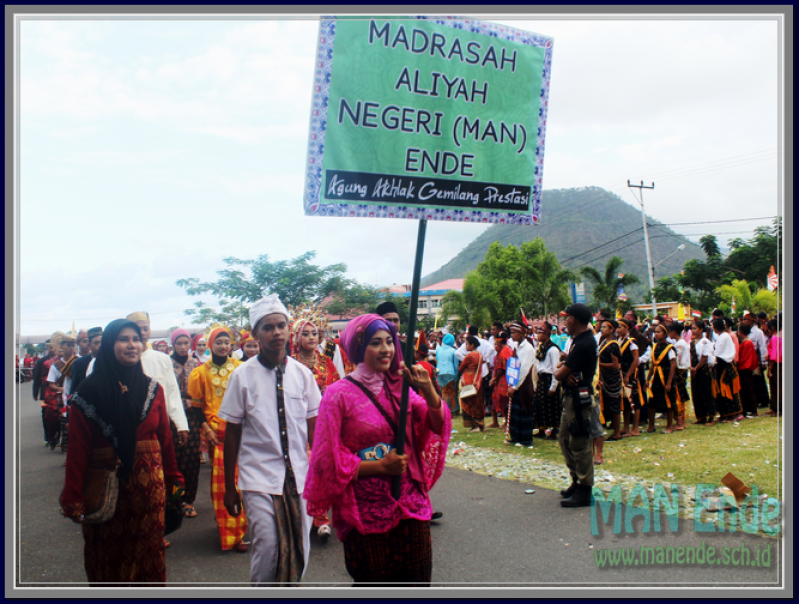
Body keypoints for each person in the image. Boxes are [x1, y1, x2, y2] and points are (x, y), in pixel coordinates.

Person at [303, 313, 451, 585]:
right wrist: (380, 467)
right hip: (365, 508)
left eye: (389, 342)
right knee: (375, 584)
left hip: (410, 501)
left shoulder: (400, 386)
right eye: (375, 343)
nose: (386, 350)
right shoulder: (338, 395)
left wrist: (428, 389)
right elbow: (326, 459)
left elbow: (436, 423)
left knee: (417, 581)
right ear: (360, 347)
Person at [59, 319, 183, 586]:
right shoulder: (87, 392)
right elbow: (78, 451)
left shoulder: (153, 389)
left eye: (136, 339)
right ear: (108, 344)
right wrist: (73, 496)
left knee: (149, 555)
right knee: (109, 559)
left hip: (150, 492)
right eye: (123, 339)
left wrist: (175, 479)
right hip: (107, 493)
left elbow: (165, 440)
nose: (132, 345)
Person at [218, 295, 322, 585]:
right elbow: (232, 432)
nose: (276, 332)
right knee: (268, 549)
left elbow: (316, 431)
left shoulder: (303, 375)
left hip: (300, 477)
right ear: (255, 334)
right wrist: (230, 487)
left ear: (290, 330)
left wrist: (324, 476)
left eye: (281, 325)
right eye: (268, 327)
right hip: (258, 478)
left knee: (300, 548)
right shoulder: (242, 376)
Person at [188, 326, 248, 552]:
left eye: (227, 342)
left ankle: (240, 527)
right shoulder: (200, 373)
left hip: (244, 431)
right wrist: (207, 430)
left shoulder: (242, 368)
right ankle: (231, 533)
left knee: (246, 481)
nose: (224, 346)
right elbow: (195, 408)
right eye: (219, 342)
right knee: (224, 484)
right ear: (211, 345)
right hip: (218, 434)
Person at [289, 309, 339, 542]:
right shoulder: (290, 365)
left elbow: (339, 388)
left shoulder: (326, 361)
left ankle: (322, 519)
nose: (311, 337)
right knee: (306, 469)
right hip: (298, 424)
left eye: (314, 333)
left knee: (324, 468)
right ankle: (309, 517)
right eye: (305, 333)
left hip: (327, 421)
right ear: (295, 337)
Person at [555, 304, 598, 508]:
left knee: (579, 442)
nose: (565, 322)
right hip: (571, 397)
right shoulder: (578, 341)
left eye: (567, 318)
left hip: (579, 400)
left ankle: (585, 488)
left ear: (573, 319)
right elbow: (565, 369)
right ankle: (576, 479)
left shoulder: (584, 343)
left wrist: (564, 369)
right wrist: (566, 364)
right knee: (564, 438)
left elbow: (558, 374)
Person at [169, 328, 203, 519]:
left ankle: (189, 501)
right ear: (173, 344)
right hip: (172, 416)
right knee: (174, 459)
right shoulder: (167, 363)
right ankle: (175, 499)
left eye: (186, 343)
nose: (183, 347)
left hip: (191, 415)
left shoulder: (195, 364)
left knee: (191, 461)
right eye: (179, 343)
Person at [47, 332, 78, 454]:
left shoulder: (78, 362)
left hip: (77, 397)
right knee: (65, 423)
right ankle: (66, 448)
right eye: (67, 345)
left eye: (72, 345)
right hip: (63, 398)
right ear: (62, 347)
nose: (70, 348)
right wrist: (62, 390)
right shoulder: (56, 366)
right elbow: (51, 384)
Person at [506, 320, 536, 446]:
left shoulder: (528, 348)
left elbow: (524, 369)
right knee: (515, 411)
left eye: (514, 333)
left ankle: (524, 439)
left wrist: (516, 386)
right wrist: (510, 383)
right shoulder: (517, 346)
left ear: (521, 333)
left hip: (524, 384)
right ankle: (515, 436)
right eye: (511, 333)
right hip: (516, 382)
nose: (512, 335)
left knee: (524, 409)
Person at [645, 324, 677, 434]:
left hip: (666, 376)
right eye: (655, 332)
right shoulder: (655, 347)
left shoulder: (669, 347)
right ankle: (651, 426)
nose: (656, 334)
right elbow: (653, 364)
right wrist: (648, 379)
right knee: (652, 401)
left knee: (668, 401)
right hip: (656, 378)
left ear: (665, 333)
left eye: (659, 332)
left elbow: (673, 365)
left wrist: (669, 382)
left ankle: (669, 426)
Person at [532, 322, 561, 439]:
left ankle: (553, 431)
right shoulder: (541, 348)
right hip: (541, 378)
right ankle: (541, 429)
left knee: (552, 406)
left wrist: (554, 386)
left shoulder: (553, 349)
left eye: (540, 333)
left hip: (549, 379)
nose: (538, 335)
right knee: (540, 404)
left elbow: (556, 368)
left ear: (547, 334)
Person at [711, 318, 743, 423]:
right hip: (720, 365)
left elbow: (717, 352)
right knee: (720, 390)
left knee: (727, 390)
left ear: (715, 327)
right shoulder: (721, 336)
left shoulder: (724, 337)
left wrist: (710, 354)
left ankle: (731, 414)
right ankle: (723, 414)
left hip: (725, 365)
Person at [596, 319, 622, 443]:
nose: (602, 329)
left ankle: (617, 432)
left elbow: (615, 364)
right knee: (607, 403)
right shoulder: (602, 342)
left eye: (605, 327)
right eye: (601, 327)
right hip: (604, 377)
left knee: (614, 404)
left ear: (612, 330)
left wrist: (599, 364)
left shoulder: (613, 345)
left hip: (612, 379)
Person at [616, 319, 641, 437]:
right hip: (620, 375)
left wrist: (628, 375)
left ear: (627, 328)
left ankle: (635, 428)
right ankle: (626, 427)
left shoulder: (631, 343)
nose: (618, 329)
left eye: (620, 327)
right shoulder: (618, 341)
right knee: (625, 401)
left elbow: (636, 360)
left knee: (633, 401)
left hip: (630, 376)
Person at [689, 320, 716, 425]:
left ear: (701, 329)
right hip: (694, 370)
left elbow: (705, 357)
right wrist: (692, 368)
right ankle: (701, 416)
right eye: (692, 328)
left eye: (695, 328)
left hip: (703, 370)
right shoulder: (692, 342)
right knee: (697, 393)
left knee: (707, 392)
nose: (693, 330)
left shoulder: (705, 342)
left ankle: (711, 417)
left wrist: (696, 368)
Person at [458, 336, 485, 433]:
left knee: (469, 402)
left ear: (472, 345)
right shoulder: (480, 355)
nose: (465, 346)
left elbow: (461, 367)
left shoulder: (469, 356)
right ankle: (481, 424)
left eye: (466, 344)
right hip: (478, 380)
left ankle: (474, 426)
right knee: (478, 402)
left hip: (469, 380)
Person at [33, 339, 57, 445]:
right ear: (47, 348)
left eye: (53, 346)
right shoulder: (41, 361)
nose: (52, 349)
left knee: (58, 415)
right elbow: (37, 378)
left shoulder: (60, 360)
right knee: (45, 414)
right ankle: (47, 436)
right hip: (45, 392)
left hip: (57, 391)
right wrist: (35, 392)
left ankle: (56, 436)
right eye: (50, 346)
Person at [667, 322, 689, 431]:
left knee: (678, 397)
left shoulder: (679, 344)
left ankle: (680, 421)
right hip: (681, 371)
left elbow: (677, 359)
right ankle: (681, 420)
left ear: (673, 331)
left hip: (679, 371)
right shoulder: (680, 342)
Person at [489, 332, 512, 429]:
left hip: (503, 380)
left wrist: (495, 379)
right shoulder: (507, 350)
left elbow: (501, 369)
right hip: (504, 379)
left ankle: (507, 422)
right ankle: (497, 422)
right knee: (497, 400)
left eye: (495, 342)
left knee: (503, 401)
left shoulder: (504, 352)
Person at [736, 323, 759, 417]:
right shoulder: (747, 342)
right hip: (745, 368)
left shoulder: (747, 343)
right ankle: (747, 409)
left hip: (745, 369)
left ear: (741, 332)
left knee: (747, 390)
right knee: (746, 390)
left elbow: (744, 357)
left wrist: (738, 364)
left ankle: (752, 410)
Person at [435, 333, 458, 416]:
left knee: (444, 392)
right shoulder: (454, 351)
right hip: (450, 372)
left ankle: (445, 410)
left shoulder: (438, 349)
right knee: (450, 392)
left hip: (440, 372)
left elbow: (437, 359)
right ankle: (451, 410)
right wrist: (456, 377)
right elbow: (456, 366)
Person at [766, 317, 782, 417]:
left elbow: (774, 356)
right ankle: (774, 407)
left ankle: (778, 408)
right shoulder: (782, 336)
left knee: (777, 386)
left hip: (777, 365)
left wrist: (769, 369)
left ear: (772, 328)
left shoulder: (775, 338)